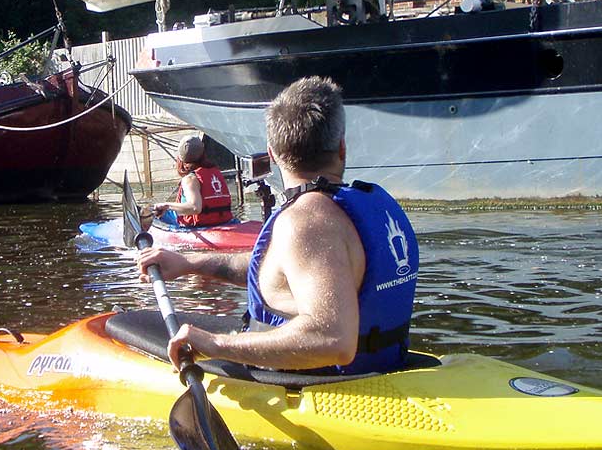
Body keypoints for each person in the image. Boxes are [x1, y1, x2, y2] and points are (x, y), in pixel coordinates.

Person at [137, 77, 418, 375]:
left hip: (331, 389)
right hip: (387, 365)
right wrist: (190, 263)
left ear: (271, 155)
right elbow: (285, 271)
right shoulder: (373, 204)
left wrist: (215, 345)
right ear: (342, 148)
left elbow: (334, 340)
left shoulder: (306, 221)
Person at [152, 134, 233, 228]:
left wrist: (166, 205)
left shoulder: (190, 179)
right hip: (224, 221)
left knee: (155, 214)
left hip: (199, 226)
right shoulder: (215, 172)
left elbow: (195, 208)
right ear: (203, 154)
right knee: (161, 211)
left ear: (180, 158)